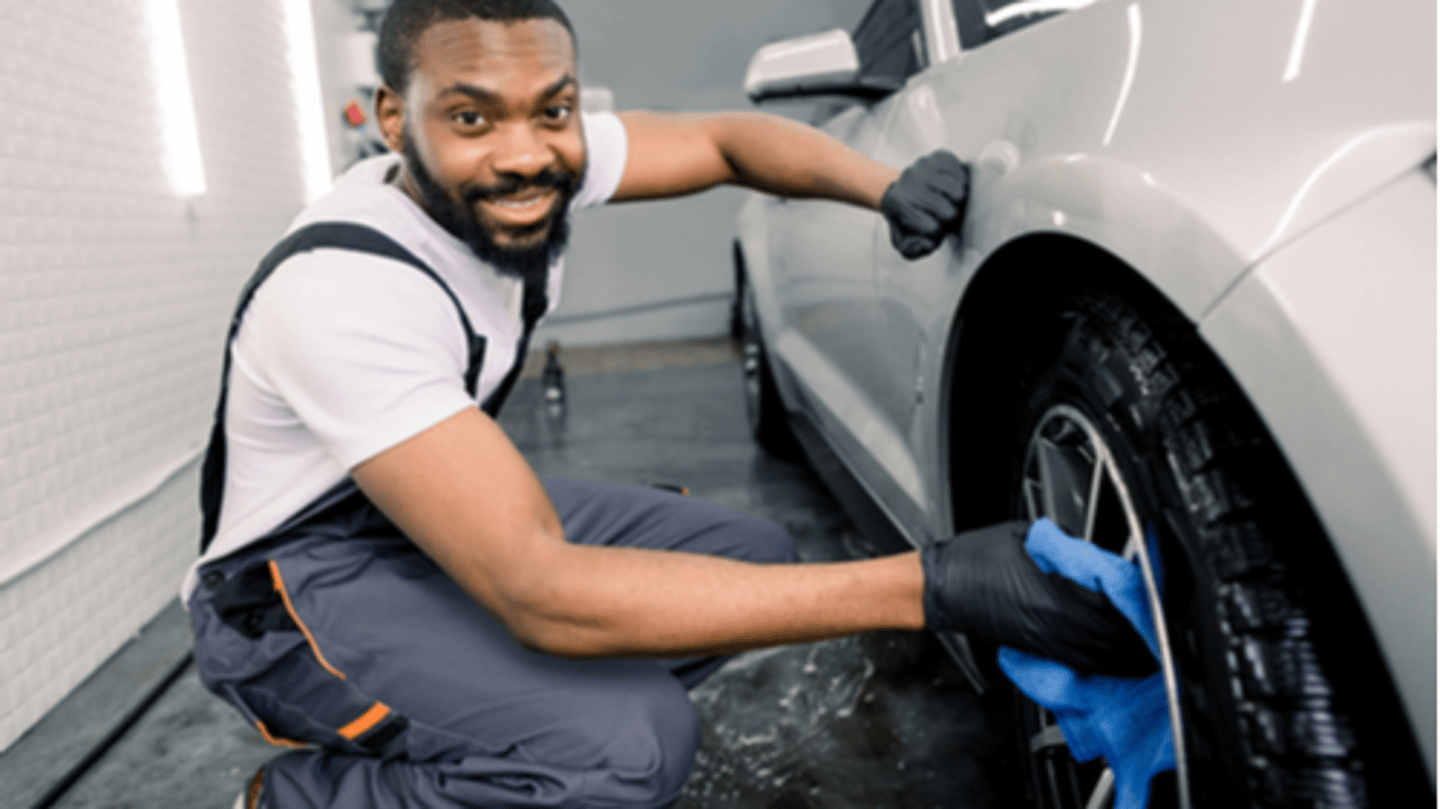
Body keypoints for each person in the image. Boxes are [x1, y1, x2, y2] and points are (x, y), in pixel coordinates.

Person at [187, 2, 1151, 807]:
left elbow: (724, 141)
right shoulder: (344, 290)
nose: (525, 156)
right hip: (288, 589)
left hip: (406, 519)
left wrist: (884, 185)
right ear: (394, 121)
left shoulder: (530, 162)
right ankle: (311, 794)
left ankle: (506, 717)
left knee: (752, 563)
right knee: (630, 747)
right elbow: (537, 589)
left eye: (551, 111)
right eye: (473, 119)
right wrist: (929, 585)